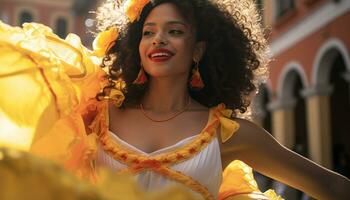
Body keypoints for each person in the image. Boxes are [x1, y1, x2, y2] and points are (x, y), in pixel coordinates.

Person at [0, 0, 349, 199]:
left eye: (175, 31)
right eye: (148, 32)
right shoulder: (96, 112)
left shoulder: (231, 134)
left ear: (198, 49)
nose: (159, 40)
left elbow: (330, 185)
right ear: (135, 44)